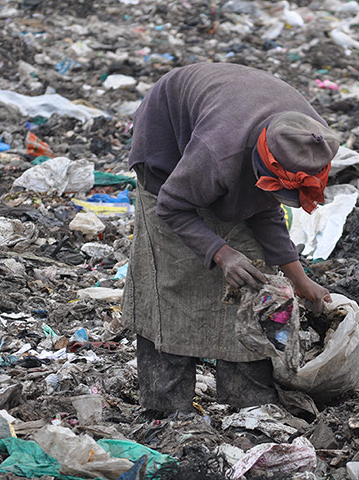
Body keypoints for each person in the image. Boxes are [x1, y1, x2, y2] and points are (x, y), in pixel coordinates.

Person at [122, 63, 340, 415]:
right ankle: (168, 406)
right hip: (167, 144)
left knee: (257, 280)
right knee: (174, 274)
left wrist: (299, 281)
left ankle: (247, 398)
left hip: (228, 123)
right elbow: (172, 206)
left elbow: (265, 209)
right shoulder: (218, 152)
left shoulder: (311, 142)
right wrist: (221, 254)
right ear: (257, 164)